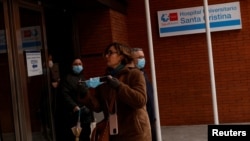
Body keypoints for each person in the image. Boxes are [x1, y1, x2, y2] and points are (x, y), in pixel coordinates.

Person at [84, 42, 152, 141]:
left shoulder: (134, 74)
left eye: (110, 53)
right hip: (115, 134)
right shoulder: (105, 79)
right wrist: (85, 93)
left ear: (121, 56)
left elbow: (140, 100)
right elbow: (98, 107)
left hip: (135, 133)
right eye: (106, 53)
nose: (107, 56)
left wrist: (119, 86)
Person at [56, 57, 94, 141]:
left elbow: (84, 93)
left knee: (86, 134)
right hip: (74, 113)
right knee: (75, 135)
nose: (78, 66)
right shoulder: (67, 78)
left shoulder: (82, 77)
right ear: (71, 66)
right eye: (75, 64)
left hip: (85, 112)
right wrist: (73, 106)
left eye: (80, 64)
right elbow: (64, 94)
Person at [131, 48, 157, 141]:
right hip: (142, 119)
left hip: (151, 116)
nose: (142, 60)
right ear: (132, 59)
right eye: (139, 57)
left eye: (143, 57)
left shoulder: (143, 73)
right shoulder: (132, 76)